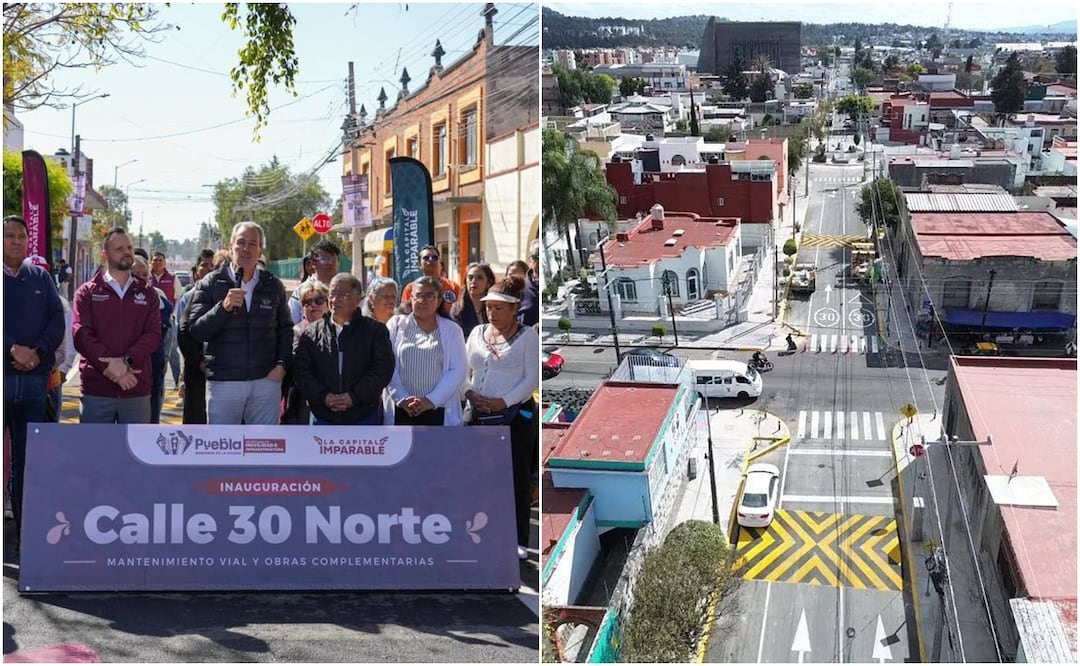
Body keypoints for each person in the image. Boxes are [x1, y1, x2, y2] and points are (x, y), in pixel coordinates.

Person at [183, 222, 293, 425]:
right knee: (223, 450)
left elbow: (286, 330)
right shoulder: (210, 283)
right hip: (225, 382)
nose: (246, 249)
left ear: (260, 249)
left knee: (262, 449)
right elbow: (196, 330)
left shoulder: (272, 285)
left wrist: (281, 366)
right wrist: (222, 308)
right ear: (231, 245)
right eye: (241, 242)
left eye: (253, 244)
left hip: (265, 382)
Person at [463, 276, 539, 559]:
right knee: (481, 479)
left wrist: (502, 401)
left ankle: (519, 538)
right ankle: (482, 533)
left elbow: (531, 378)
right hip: (479, 416)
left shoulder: (527, 336)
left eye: (499, 308)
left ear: (515, 308)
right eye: (489, 307)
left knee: (516, 480)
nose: (492, 313)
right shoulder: (477, 333)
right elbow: (464, 371)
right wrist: (471, 394)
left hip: (515, 417)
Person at [4, 215, 65, 551]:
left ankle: (27, 530)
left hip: (32, 382)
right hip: (4, 375)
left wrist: (38, 352)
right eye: (8, 236)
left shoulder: (40, 277)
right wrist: (11, 347)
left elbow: (57, 319)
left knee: (26, 461)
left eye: (20, 236)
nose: (14, 241)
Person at [72, 227, 161, 424]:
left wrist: (126, 362)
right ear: (105, 254)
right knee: (95, 454)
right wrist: (110, 367)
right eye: (119, 248)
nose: (127, 252)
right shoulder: (87, 292)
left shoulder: (148, 293)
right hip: (97, 391)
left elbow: (153, 334)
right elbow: (82, 335)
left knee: (136, 454)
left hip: (135, 388)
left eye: (129, 247)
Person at [292, 273, 395, 426]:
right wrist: (324, 397)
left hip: (363, 416)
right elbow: (301, 371)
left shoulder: (375, 331)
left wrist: (353, 397)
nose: (334, 300)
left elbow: (382, 369)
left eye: (341, 295)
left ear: (358, 298)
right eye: (332, 294)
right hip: (322, 416)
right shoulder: (311, 333)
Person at [386, 276, 468, 426]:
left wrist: (431, 400)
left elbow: (458, 370)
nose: (423, 301)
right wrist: (402, 398)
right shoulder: (395, 325)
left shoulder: (452, 330)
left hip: (439, 410)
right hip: (402, 409)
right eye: (418, 295)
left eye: (430, 296)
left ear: (439, 301)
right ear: (410, 298)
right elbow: (386, 365)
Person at [176, 250, 230, 425]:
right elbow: (184, 332)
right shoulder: (196, 293)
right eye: (216, 267)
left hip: (230, 378)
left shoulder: (239, 296)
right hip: (199, 374)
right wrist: (200, 362)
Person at [132, 256, 174, 424]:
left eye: (145, 274)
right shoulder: (118, 298)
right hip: (130, 369)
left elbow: (169, 330)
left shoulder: (158, 297)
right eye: (136, 274)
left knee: (152, 417)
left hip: (154, 367)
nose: (142, 278)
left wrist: (165, 357)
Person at [281, 280, 329, 425]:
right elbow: (298, 365)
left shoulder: (339, 330)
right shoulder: (296, 332)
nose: (313, 305)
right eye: (307, 302)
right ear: (302, 308)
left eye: (319, 300)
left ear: (328, 304)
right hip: (301, 399)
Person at [398, 245, 461, 318]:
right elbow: (405, 313)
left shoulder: (453, 287)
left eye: (435, 258)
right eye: (426, 258)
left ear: (439, 261)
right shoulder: (411, 288)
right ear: (419, 264)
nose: (431, 260)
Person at [288, 239, 341, 324]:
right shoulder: (301, 291)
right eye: (324, 259)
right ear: (313, 263)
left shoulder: (347, 287)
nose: (330, 263)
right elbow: (290, 323)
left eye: (333, 258)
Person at [451, 262, 495, 339]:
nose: (474, 281)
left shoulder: (495, 307)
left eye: (479, 278)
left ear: (488, 283)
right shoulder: (457, 309)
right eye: (470, 278)